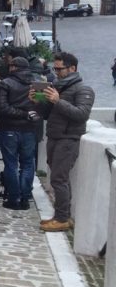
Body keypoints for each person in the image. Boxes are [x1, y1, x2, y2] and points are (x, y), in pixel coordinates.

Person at [39, 52, 95, 232]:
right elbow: (48, 114)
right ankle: (62, 215)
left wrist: (58, 100)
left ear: (72, 69)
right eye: (54, 68)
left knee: (59, 178)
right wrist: (39, 101)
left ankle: (62, 218)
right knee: (59, 178)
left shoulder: (83, 90)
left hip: (69, 138)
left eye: (59, 69)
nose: (56, 72)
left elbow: (81, 114)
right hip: (55, 136)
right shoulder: (57, 87)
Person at [0, 56, 46, 211]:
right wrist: (29, 115)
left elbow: (2, 107)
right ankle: (25, 198)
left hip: (9, 127)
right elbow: (41, 106)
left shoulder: (6, 83)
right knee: (28, 163)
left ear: (13, 67)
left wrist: (21, 114)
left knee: (11, 163)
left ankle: (14, 198)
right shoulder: (37, 84)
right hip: (29, 129)